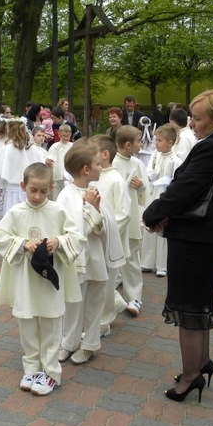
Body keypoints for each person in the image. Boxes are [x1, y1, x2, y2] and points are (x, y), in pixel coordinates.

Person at [143, 89, 213, 403]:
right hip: (208, 235)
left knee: (188, 307)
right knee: (200, 304)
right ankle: (200, 363)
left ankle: (190, 375)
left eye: (197, 119)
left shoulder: (212, 147)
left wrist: (154, 213)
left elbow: (184, 189)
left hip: (196, 239)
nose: (192, 124)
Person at [0, 162, 83, 396]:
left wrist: (59, 241)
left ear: (51, 188)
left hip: (49, 281)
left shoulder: (57, 211)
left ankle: (51, 372)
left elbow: (76, 236)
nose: (37, 195)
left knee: (52, 325)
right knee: (28, 324)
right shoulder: (16, 212)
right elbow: (1, 236)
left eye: (43, 191)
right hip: (26, 281)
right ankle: (31, 368)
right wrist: (22, 243)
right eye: (33, 189)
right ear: (23, 186)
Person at [57, 139, 113, 365]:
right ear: (86, 169)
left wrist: (96, 209)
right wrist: (90, 210)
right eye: (98, 164)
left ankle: (90, 344)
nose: (102, 167)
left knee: (94, 302)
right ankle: (68, 342)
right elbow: (71, 228)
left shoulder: (96, 191)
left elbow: (104, 227)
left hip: (96, 257)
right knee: (72, 303)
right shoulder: (66, 195)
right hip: (75, 259)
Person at [93, 135, 131, 334]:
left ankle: (104, 323)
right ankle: (113, 305)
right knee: (99, 281)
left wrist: (104, 229)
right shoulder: (95, 176)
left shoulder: (116, 180)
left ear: (105, 155)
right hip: (95, 238)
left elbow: (123, 213)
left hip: (109, 241)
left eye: (94, 151)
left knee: (107, 283)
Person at [112, 125, 148, 317]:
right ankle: (114, 295)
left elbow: (145, 191)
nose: (141, 144)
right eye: (139, 140)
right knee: (113, 256)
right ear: (127, 145)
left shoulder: (137, 164)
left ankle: (135, 297)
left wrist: (141, 187)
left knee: (132, 257)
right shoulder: (111, 164)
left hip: (132, 217)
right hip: (116, 219)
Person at [0, 117, 36, 235]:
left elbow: (1, 171)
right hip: (22, 188)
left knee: (10, 212)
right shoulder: (23, 149)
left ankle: (11, 234)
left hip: (10, 189)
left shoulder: (7, 149)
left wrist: (0, 187)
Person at [142, 123, 182, 276]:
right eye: (155, 140)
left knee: (162, 231)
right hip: (152, 194)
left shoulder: (176, 161)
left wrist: (166, 181)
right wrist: (151, 174)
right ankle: (147, 261)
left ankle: (162, 265)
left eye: (159, 140)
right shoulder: (154, 155)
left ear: (170, 142)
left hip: (164, 195)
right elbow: (149, 170)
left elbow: (175, 180)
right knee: (149, 227)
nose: (155, 143)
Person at [45, 123, 73, 199]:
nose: (66, 135)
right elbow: (50, 159)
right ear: (59, 134)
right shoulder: (55, 146)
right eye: (64, 133)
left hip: (70, 177)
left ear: (70, 134)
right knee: (57, 197)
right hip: (57, 177)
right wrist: (48, 162)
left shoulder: (72, 146)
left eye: (68, 133)